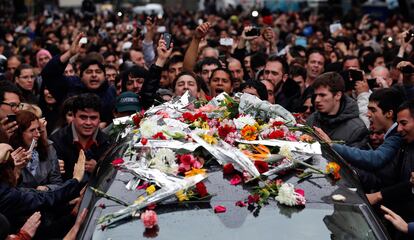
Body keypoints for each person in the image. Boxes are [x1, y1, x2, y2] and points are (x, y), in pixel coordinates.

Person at [0, 143, 85, 232]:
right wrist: (76, 179)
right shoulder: (7, 195)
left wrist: (67, 203)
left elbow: (35, 194)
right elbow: (43, 198)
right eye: (13, 166)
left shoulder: (7, 191)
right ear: (6, 173)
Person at [315, 88, 404, 170]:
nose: (368, 114)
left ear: (389, 113)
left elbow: (375, 159)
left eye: (373, 110)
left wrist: (332, 145)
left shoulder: (397, 136)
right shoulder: (392, 135)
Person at [49, 93, 110, 180]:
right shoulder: (56, 141)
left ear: (99, 119)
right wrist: (53, 169)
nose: (88, 123)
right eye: (83, 117)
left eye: (93, 118)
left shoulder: (107, 142)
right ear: (73, 116)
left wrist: (98, 170)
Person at [307, 72, 368, 147]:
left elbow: (355, 158)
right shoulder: (312, 120)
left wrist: (331, 145)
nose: (317, 100)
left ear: (338, 95)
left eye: (322, 95)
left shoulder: (357, 129)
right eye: (316, 95)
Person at [9, 110, 63, 191]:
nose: (37, 134)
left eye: (38, 129)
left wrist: (47, 188)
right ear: (19, 134)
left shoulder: (48, 149)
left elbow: (58, 183)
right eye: (32, 130)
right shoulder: (9, 154)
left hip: (46, 200)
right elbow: (8, 189)